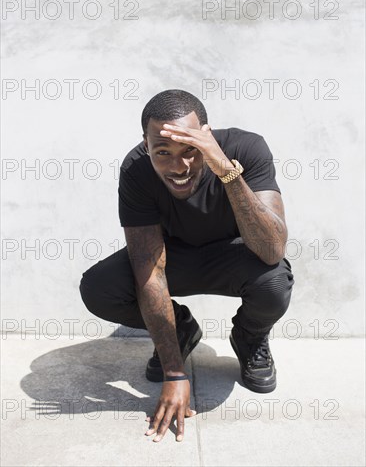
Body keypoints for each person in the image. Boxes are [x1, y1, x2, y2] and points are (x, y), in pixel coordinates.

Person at [79, 89, 295, 443]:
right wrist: (175, 372)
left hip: (235, 255)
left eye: (190, 151)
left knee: (273, 283)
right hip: (174, 256)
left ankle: (249, 337)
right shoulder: (136, 168)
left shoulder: (246, 149)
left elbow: (272, 249)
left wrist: (225, 170)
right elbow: (149, 267)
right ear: (146, 146)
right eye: (163, 152)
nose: (179, 167)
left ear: (207, 136)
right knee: (99, 288)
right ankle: (179, 331)